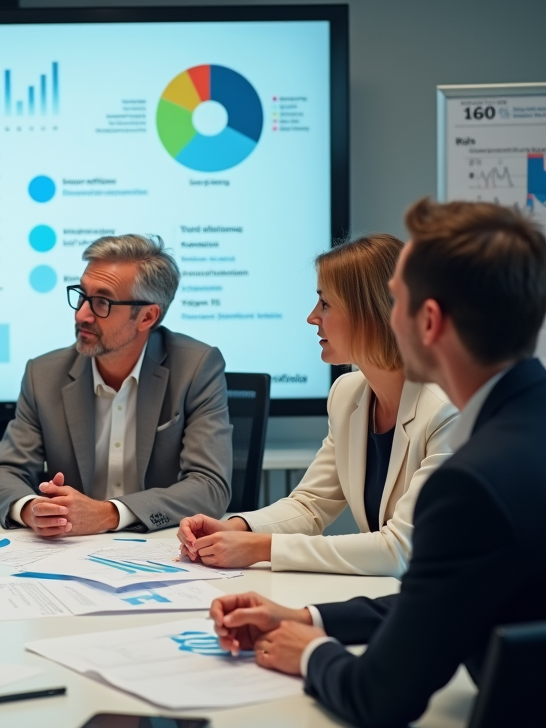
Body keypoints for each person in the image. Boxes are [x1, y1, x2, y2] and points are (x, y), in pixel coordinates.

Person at [208, 199, 546, 728]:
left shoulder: (472, 482)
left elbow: (380, 697)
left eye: (394, 303)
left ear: (428, 322)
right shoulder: (526, 427)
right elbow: (444, 598)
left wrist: (312, 651)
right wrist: (308, 617)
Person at [178, 235, 457, 576]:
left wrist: (262, 548)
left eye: (325, 304)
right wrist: (237, 528)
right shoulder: (347, 393)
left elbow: (400, 549)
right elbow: (310, 506)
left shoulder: (446, 408)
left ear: (369, 311)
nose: (312, 318)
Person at [0, 234, 232, 535]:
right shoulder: (43, 374)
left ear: (147, 316)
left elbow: (210, 486)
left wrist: (109, 514)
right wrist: (32, 508)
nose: (81, 314)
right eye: (82, 296)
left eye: (102, 302)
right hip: (69, 553)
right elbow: (0, 475)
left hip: (160, 551)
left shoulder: (196, 368)